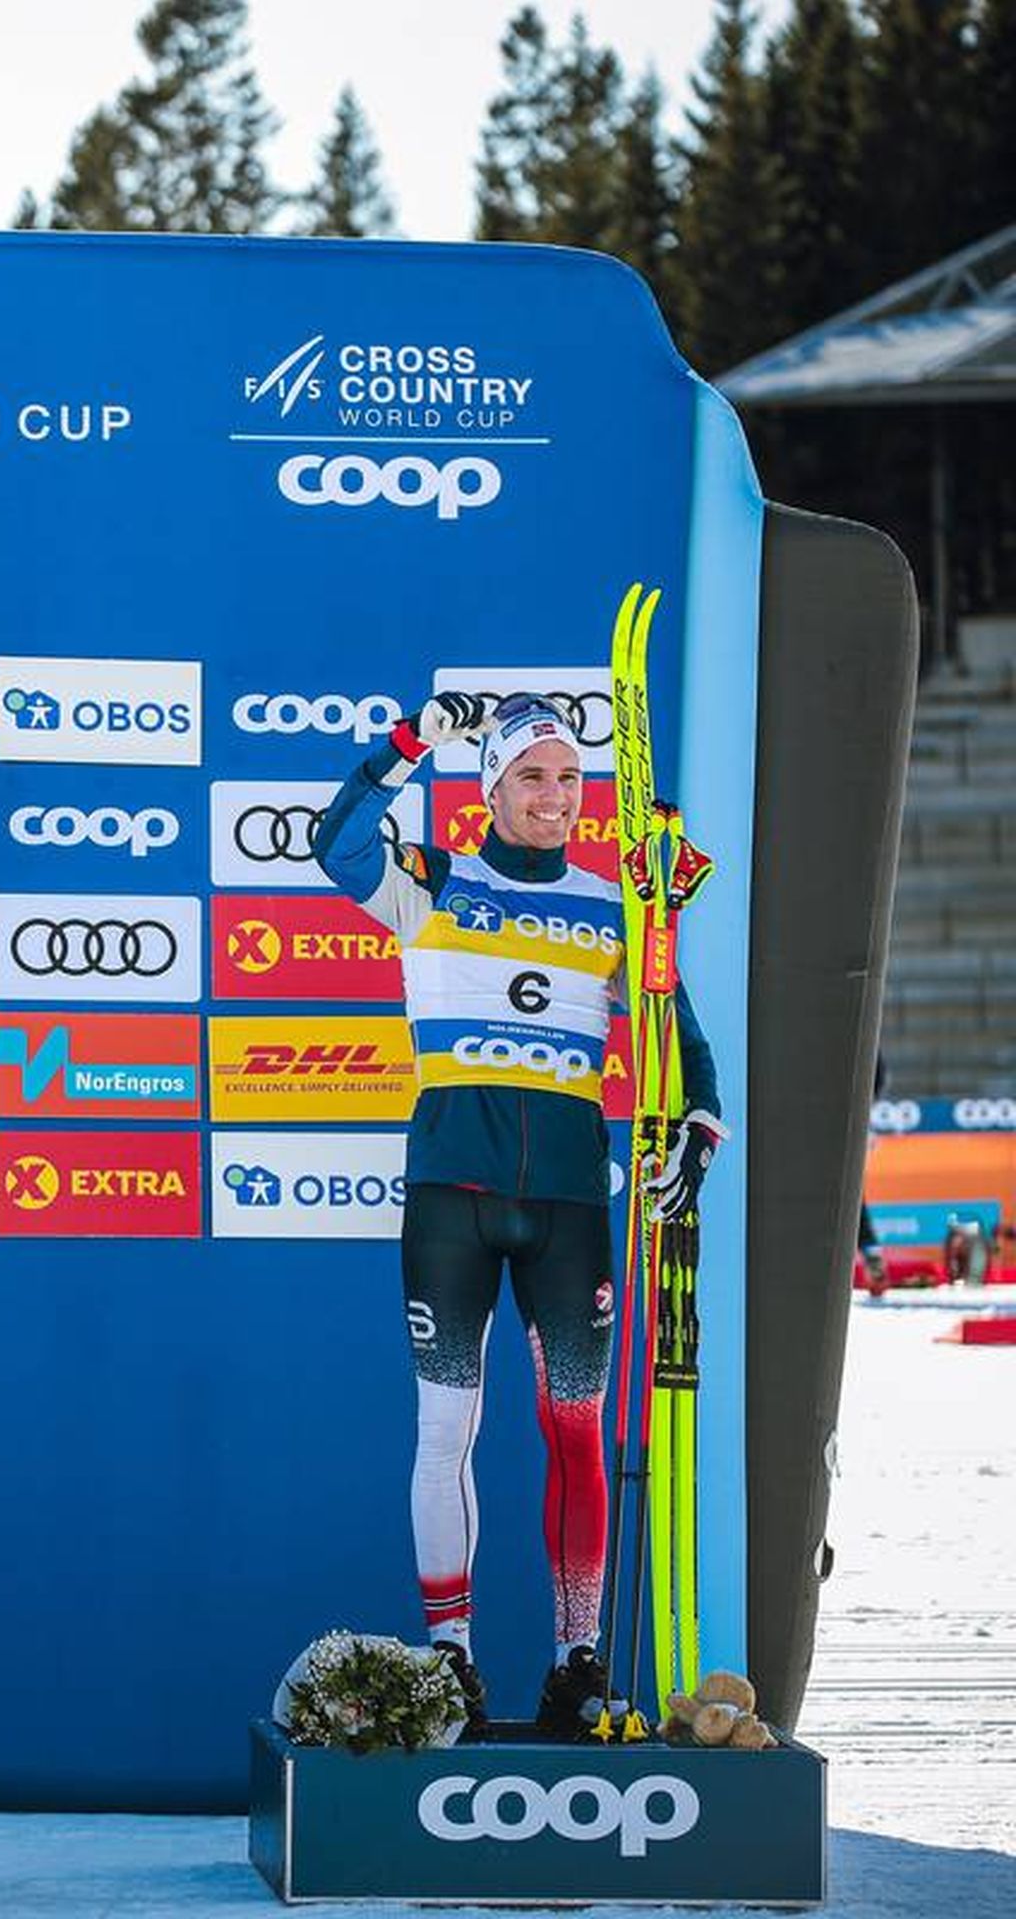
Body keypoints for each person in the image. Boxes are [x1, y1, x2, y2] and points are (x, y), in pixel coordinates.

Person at [316, 690, 726, 1735]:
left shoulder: (613, 904)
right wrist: (413, 742)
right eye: (533, 776)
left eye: (570, 778)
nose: (557, 796)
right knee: (444, 1430)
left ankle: (574, 1659)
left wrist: (701, 1116)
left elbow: (675, 1025)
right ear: (491, 788)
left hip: (570, 1205)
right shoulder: (435, 883)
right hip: (454, 1195)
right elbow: (336, 842)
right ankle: (449, 1658)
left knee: (575, 1434)